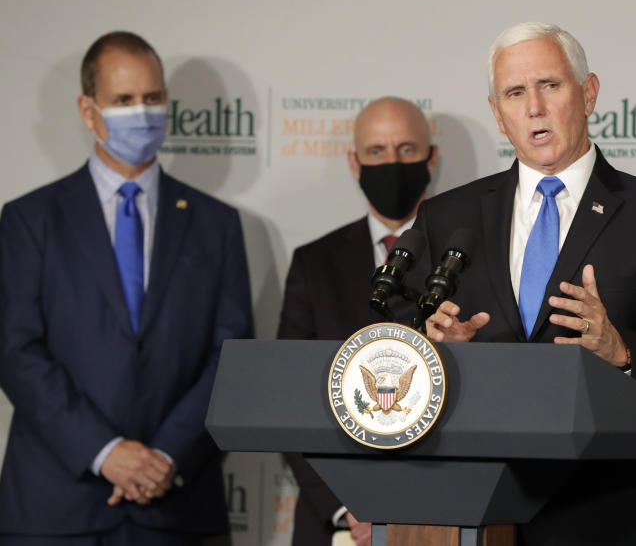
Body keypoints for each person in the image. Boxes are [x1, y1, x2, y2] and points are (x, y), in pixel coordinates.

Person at [418, 22, 636, 546]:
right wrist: (441, 356)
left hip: (612, 518)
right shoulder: (446, 217)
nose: (534, 107)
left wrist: (622, 350)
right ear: (497, 113)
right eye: (515, 93)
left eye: (551, 85)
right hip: (476, 515)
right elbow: (404, 359)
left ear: (588, 93)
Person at [0, 31, 253, 545]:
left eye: (153, 98)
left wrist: (165, 456)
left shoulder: (216, 223)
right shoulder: (30, 219)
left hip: (177, 505)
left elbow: (231, 355)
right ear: (88, 110)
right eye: (123, 101)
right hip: (57, 508)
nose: (142, 113)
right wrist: (105, 450)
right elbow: (15, 350)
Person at [277, 96, 437, 546]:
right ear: (354, 162)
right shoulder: (313, 263)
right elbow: (288, 397)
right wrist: (348, 507)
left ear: (431, 157)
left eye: (406, 149)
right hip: (337, 525)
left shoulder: (468, 259)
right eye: (376, 152)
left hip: (444, 517)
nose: (392, 163)